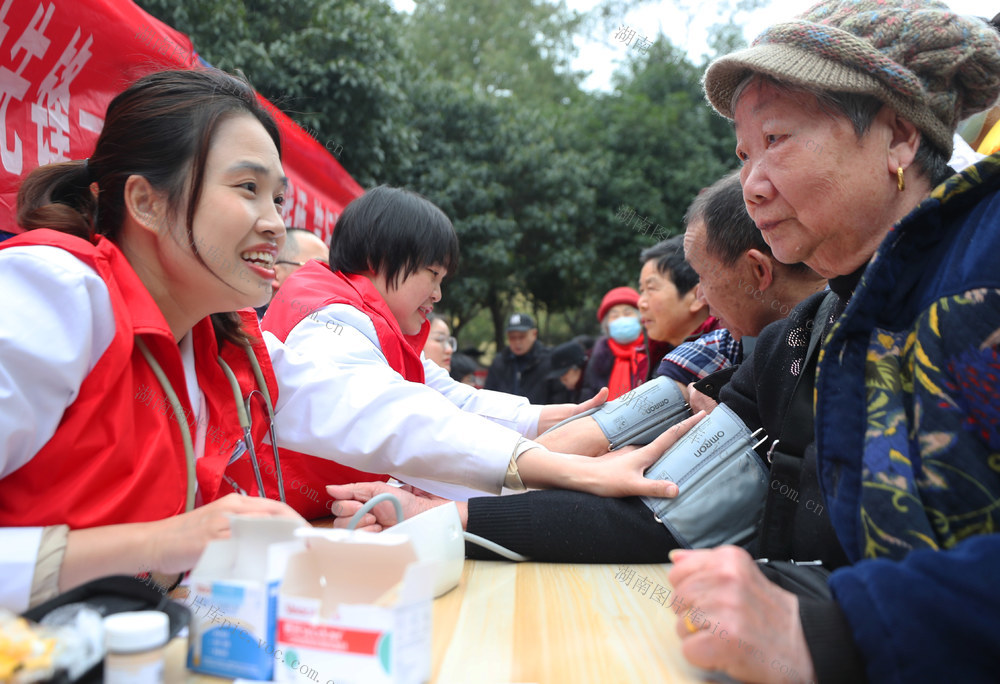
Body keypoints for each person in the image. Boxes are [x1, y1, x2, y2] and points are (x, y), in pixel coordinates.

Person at [666, 2, 1000, 681]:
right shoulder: (845, 317)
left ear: (899, 138)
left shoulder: (984, 261)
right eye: (744, 153)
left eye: (778, 139)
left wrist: (831, 627)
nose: (751, 188)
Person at [0, 68, 306, 612]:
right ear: (145, 203)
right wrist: (162, 542)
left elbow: (357, 404)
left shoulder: (209, 335)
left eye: (279, 199)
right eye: (248, 188)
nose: (276, 224)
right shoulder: (52, 294)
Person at [260, 185, 698, 509]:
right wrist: (567, 468)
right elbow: (404, 419)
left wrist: (547, 418)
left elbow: (451, 398)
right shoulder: (330, 322)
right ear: (381, 259)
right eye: (431, 275)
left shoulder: (373, 329)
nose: (437, 295)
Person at [656, 171, 826, 395]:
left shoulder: (859, 351)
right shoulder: (720, 354)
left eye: (703, 275)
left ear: (758, 270)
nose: (700, 296)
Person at [637, 236, 717, 373]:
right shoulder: (649, 355)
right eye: (642, 290)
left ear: (697, 297)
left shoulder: (726, 354)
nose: (641, 303)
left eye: (651, 288)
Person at [484, 313, 569, 403]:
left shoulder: (549, 360)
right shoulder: (499, 363)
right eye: (512, 337)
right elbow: (489, 396)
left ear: (534, 334)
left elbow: (559, 397)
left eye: (522, 337)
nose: (517, 342)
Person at [580, 287, 647, 401]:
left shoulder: (654, 351)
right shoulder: (598, 358)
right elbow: (588, 395)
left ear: (641, 317)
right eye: (615, 316)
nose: (622, 319)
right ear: (607, 325)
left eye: (627, 313)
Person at [255, 226, 329, 317]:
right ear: (274, 275)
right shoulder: (241, 326)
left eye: (331, 270)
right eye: (320, 268)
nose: (331, 279)